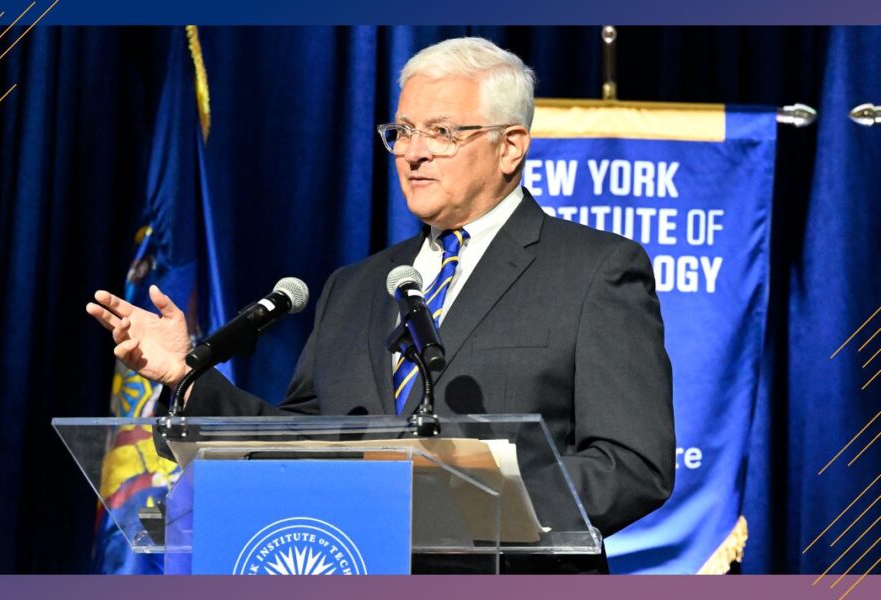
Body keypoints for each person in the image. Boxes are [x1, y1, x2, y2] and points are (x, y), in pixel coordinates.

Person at [87, 37, 674, 573]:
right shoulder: (358, 286)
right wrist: (186, 376)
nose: (413, 154)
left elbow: (631, 466)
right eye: (402, 131)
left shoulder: (594, 271)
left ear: (510, 147)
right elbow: (301, 443)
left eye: (442, 133)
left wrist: (465, 502)